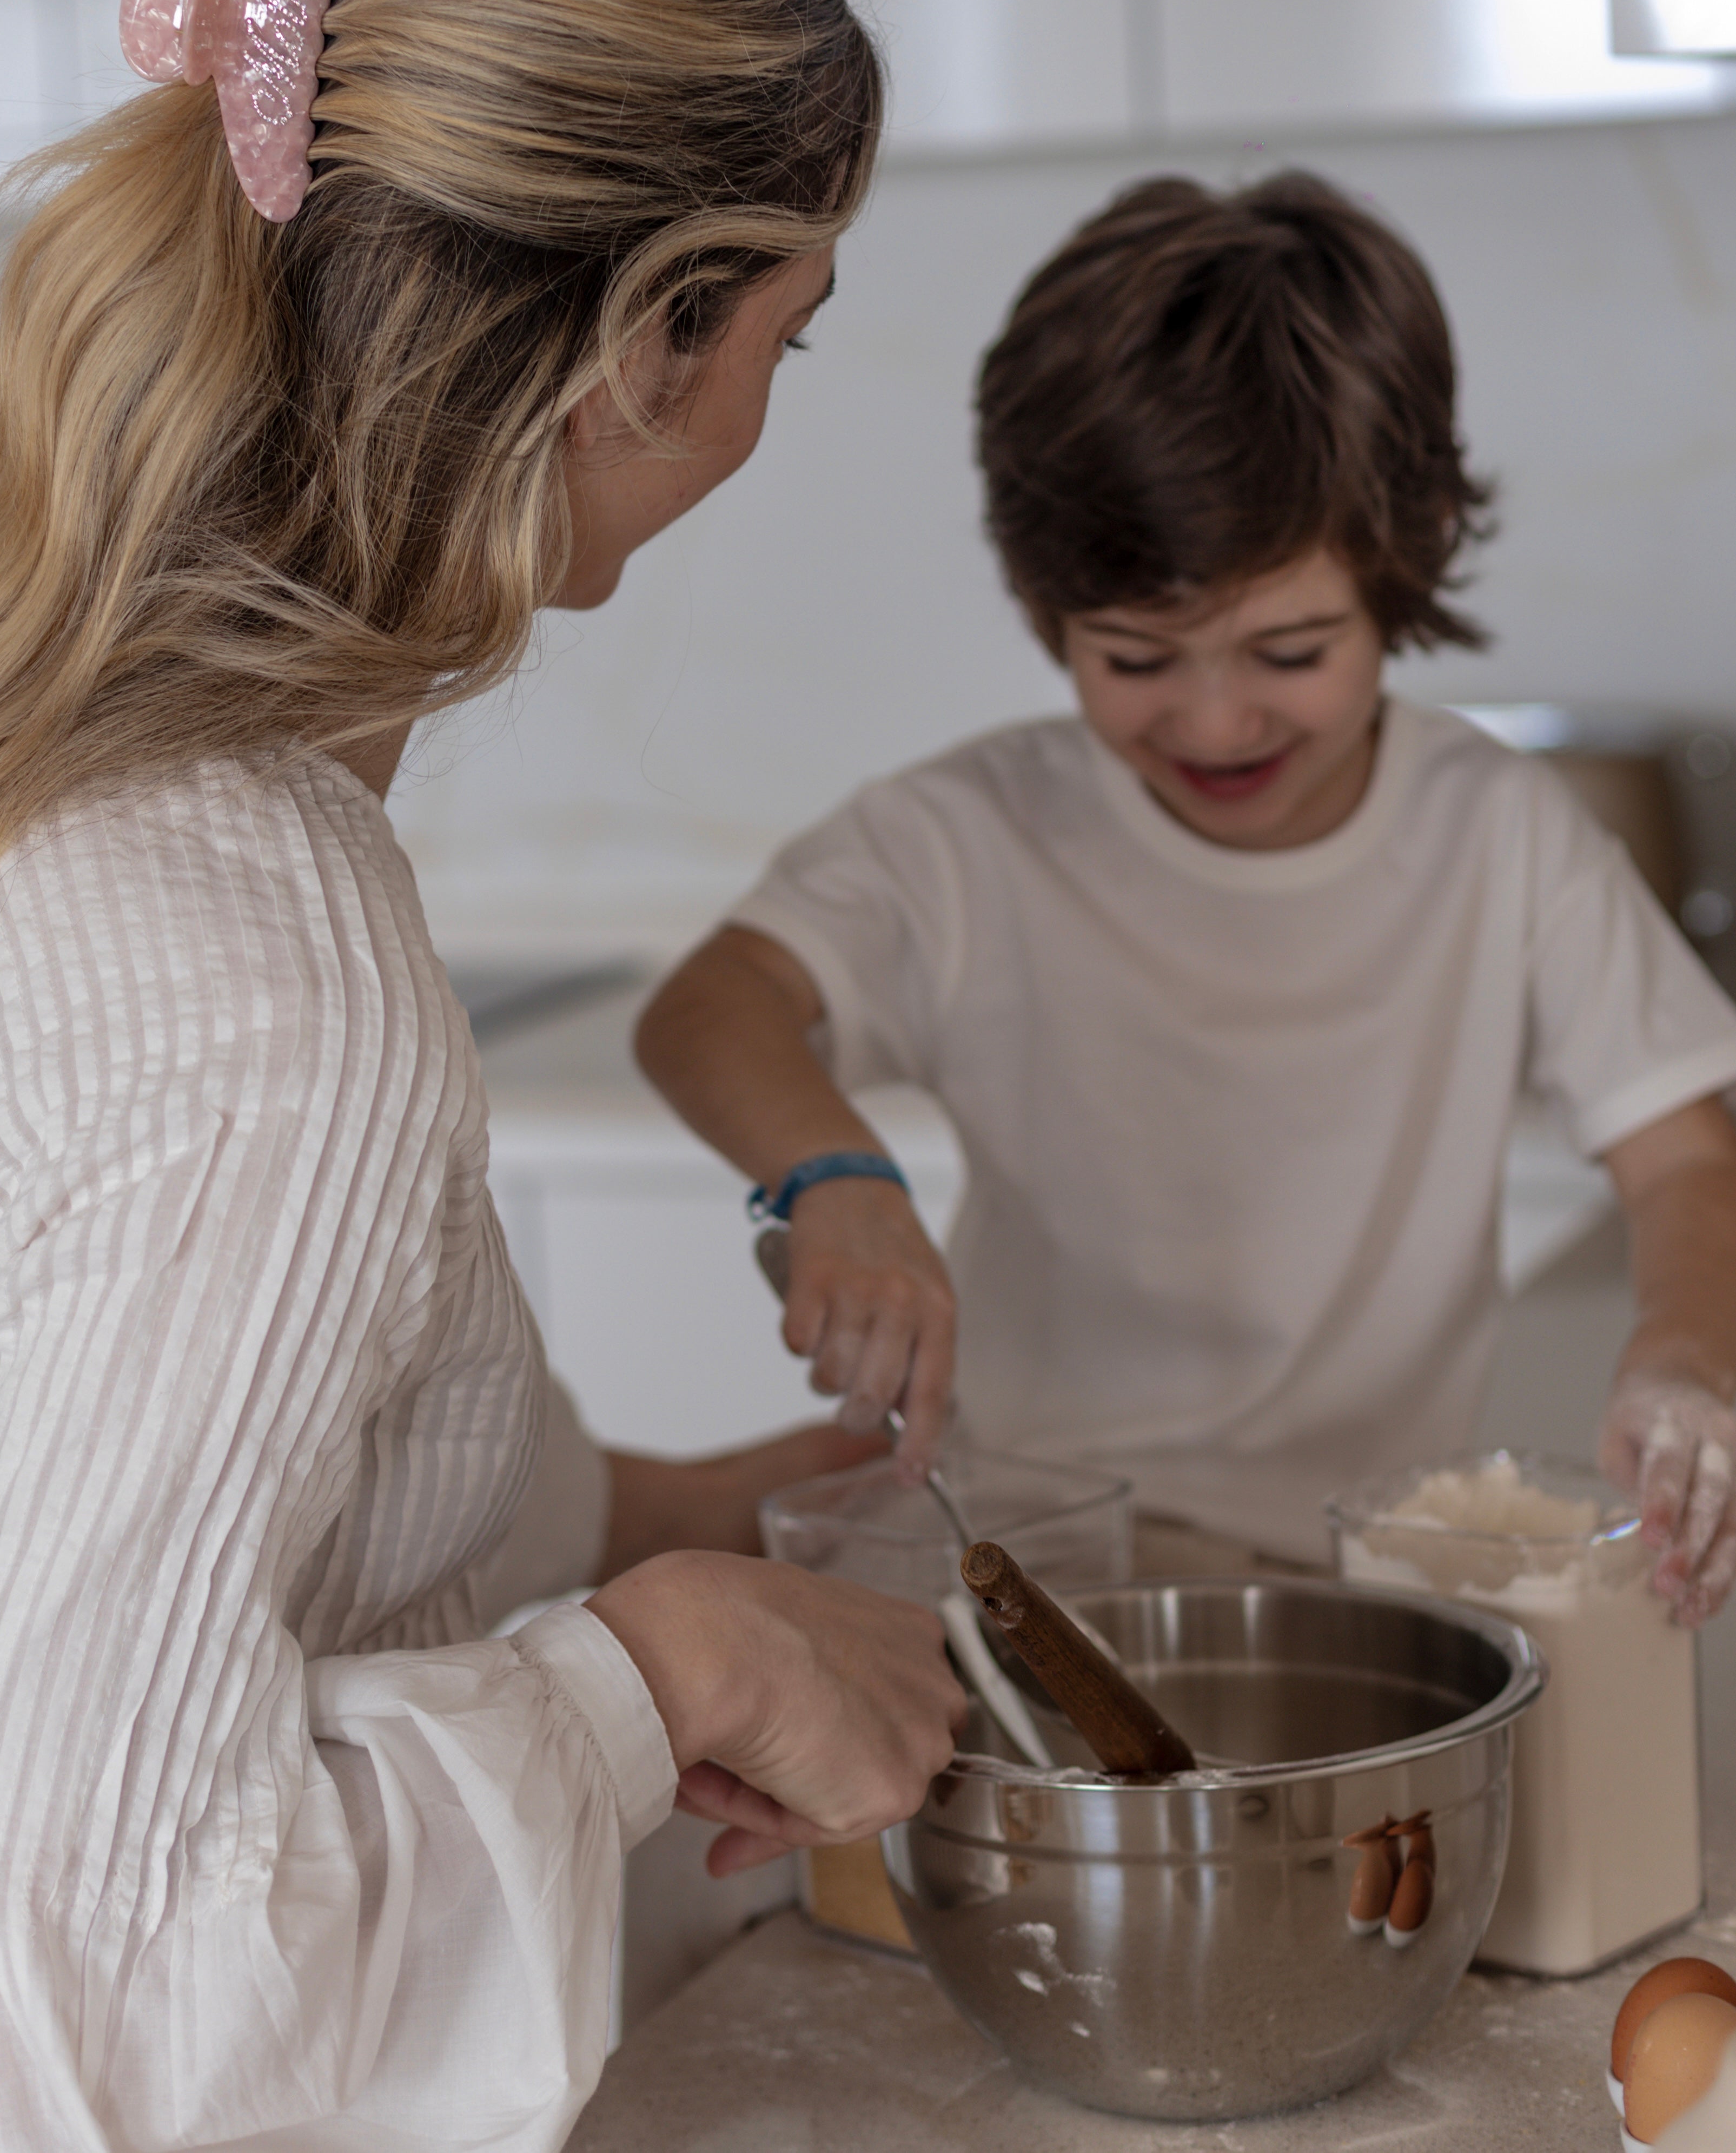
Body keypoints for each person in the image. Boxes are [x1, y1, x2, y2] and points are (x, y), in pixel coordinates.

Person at [0, 0, 964, 2153]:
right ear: (646, 334)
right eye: (788, 324)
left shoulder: (37, 786)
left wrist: (699, 1521)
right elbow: (65, 1993)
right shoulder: (269, 984)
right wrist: (671, 1670)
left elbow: (216, 1539)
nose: (768, 398)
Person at [638, 171, 1736, 1621]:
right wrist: (832, 1177)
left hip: (1365, 1568)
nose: (1217, 722)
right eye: (1138, 658)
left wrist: (1686, 1355)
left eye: (1288, 652)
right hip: (1028, 1546)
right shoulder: (971, 834)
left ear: (1395, 576)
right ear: (1046, 611)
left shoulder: (1501, 837)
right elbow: (710, 1012)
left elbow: (1682, 1160)